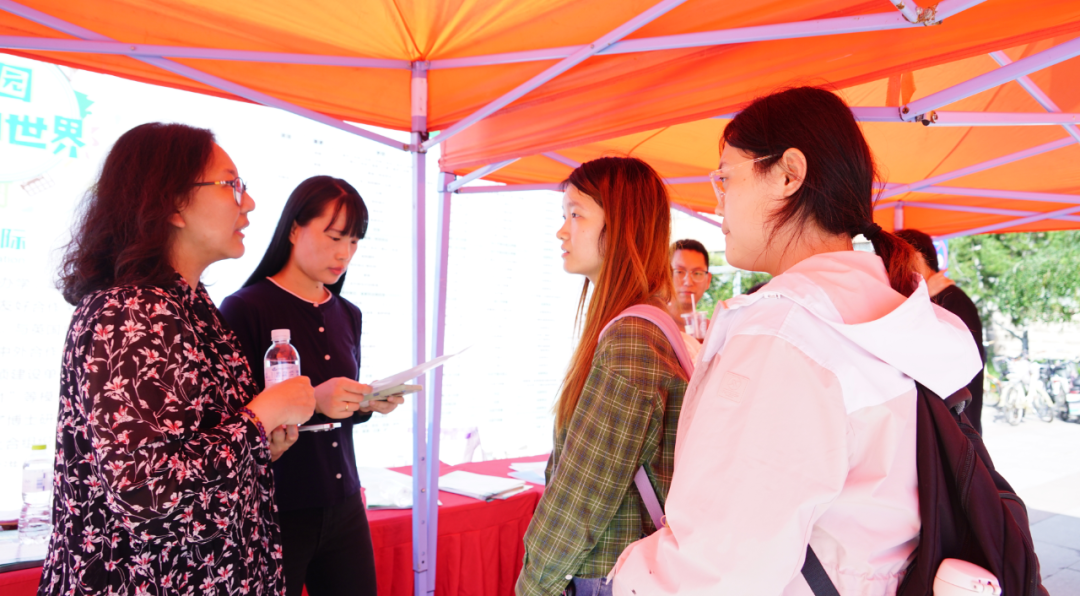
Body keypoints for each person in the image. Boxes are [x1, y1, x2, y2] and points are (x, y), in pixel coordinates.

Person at [610, 87, 982, 595]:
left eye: (725, 177)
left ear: (789, 174)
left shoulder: (784, 333)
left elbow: (720, 572)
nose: (718, 201)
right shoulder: (890, 309)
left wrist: (623, 577)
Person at [44, 122, 316, 596]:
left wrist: (258, 445)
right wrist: (260, 416)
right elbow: (147, 493)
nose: (249, 202)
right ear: (171, 203)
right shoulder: (130, 312)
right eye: (231, 185)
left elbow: (193, 453)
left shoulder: (189, 306)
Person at [219, 176, 403, 596]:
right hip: (276, 508)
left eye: (354, 241)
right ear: (293, 229)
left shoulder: (348, 313)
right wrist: (314, 401)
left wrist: (365, 403)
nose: (344, 253)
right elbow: (233, 423)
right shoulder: (244, 309)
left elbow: (337, 414)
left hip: (345, 503)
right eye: (335, 237)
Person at [516, 157, 689, 596]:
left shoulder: (631, 338)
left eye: (576, 215)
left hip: (607, 575)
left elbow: (580, 500)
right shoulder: (646, 324)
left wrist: (532, 585)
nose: (562, 231)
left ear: (623, 226)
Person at [896, 228, 987, 433]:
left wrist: (925, 299)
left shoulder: (950, 299)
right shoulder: (927, 297)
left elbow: (943, 361)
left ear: (916, 257)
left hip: (954, 424)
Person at [666, 239, 712, 359]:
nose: (688, 282)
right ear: (666, 275)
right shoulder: (656, 326)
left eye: (697, 273)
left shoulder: (713, 333)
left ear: (708, 280)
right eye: (679, 272)